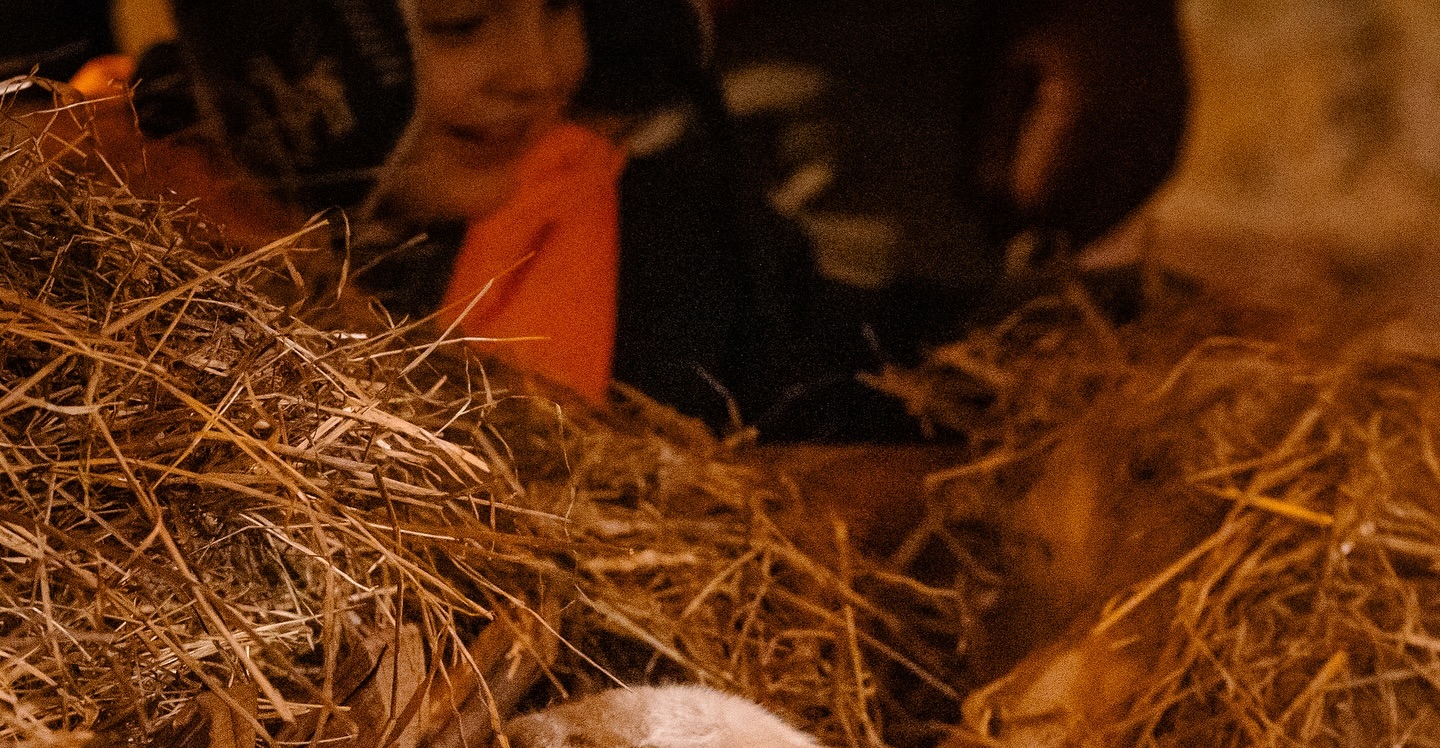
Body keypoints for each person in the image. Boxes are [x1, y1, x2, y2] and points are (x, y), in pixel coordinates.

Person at [43, 0, 1188, 437]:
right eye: (459, 26)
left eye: (564, 9)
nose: (535, 70)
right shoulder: (82, 207)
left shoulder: (662, 256)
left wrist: (1105, 337)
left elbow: (883, 382)